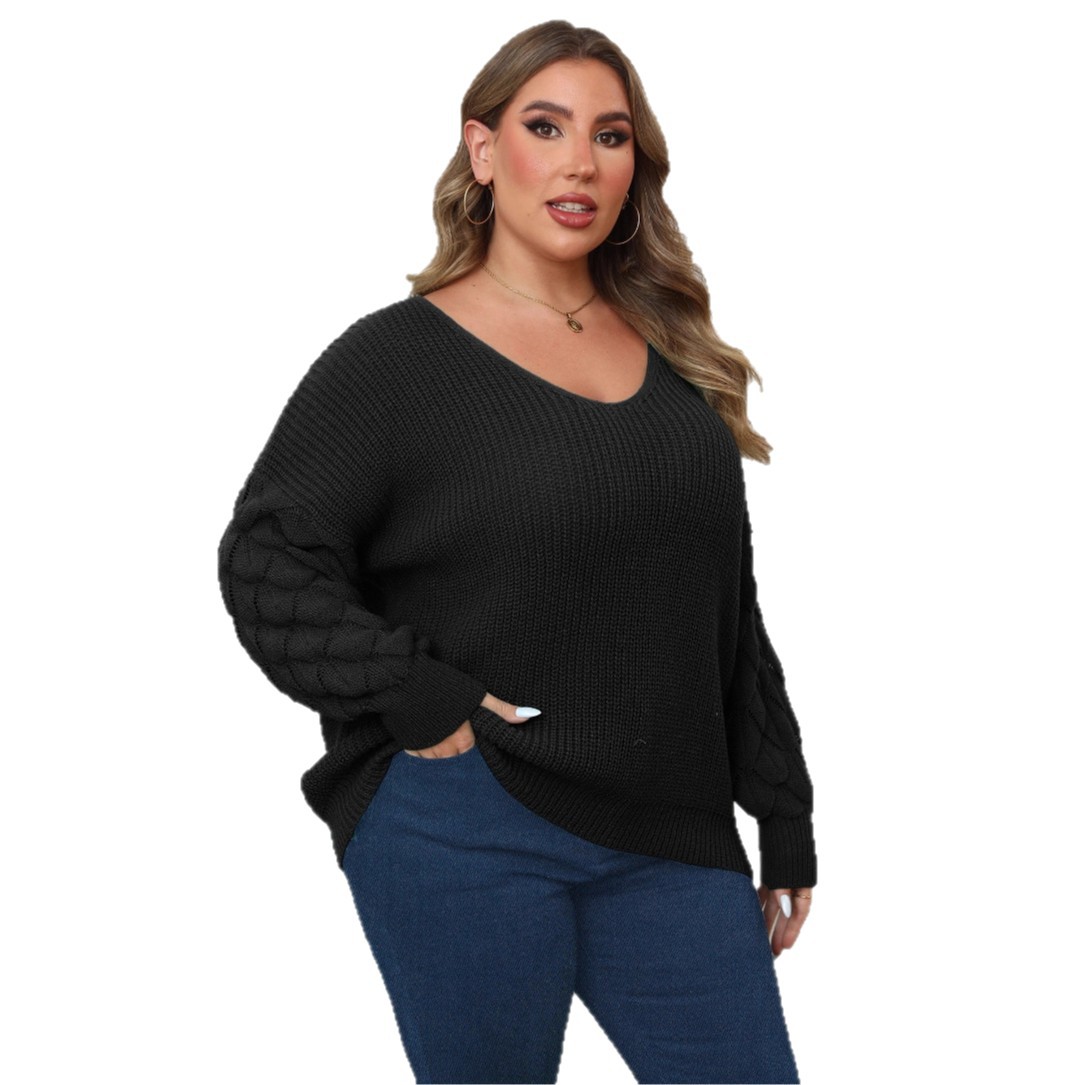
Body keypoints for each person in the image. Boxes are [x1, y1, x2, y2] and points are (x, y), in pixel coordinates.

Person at [217, 19, 818, 1085]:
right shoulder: (393, 360)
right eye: (546, 127)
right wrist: (414, 692)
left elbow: (720, 606)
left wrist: (780, 805)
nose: (581, 161)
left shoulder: (674, 360)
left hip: (671, 828)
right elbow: (267, 563)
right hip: (468, 819)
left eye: (609, 135)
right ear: (483, 149)